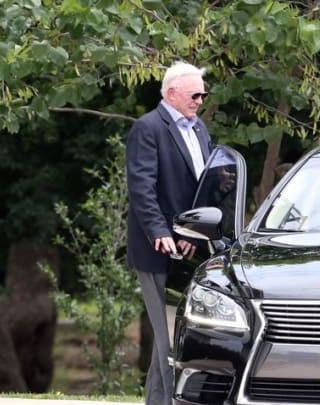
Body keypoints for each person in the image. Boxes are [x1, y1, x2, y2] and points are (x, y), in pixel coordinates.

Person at [126, 61, 211, 405]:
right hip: (158, 249)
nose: (200, 100)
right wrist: (160, 232)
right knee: (170, 339)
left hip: (191, 247)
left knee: (172, 338)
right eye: (195, 94)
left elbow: (201, 186)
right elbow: (142, 187)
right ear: (171, 92)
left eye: (204, 94)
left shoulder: (199, 128)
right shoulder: (148, 128)